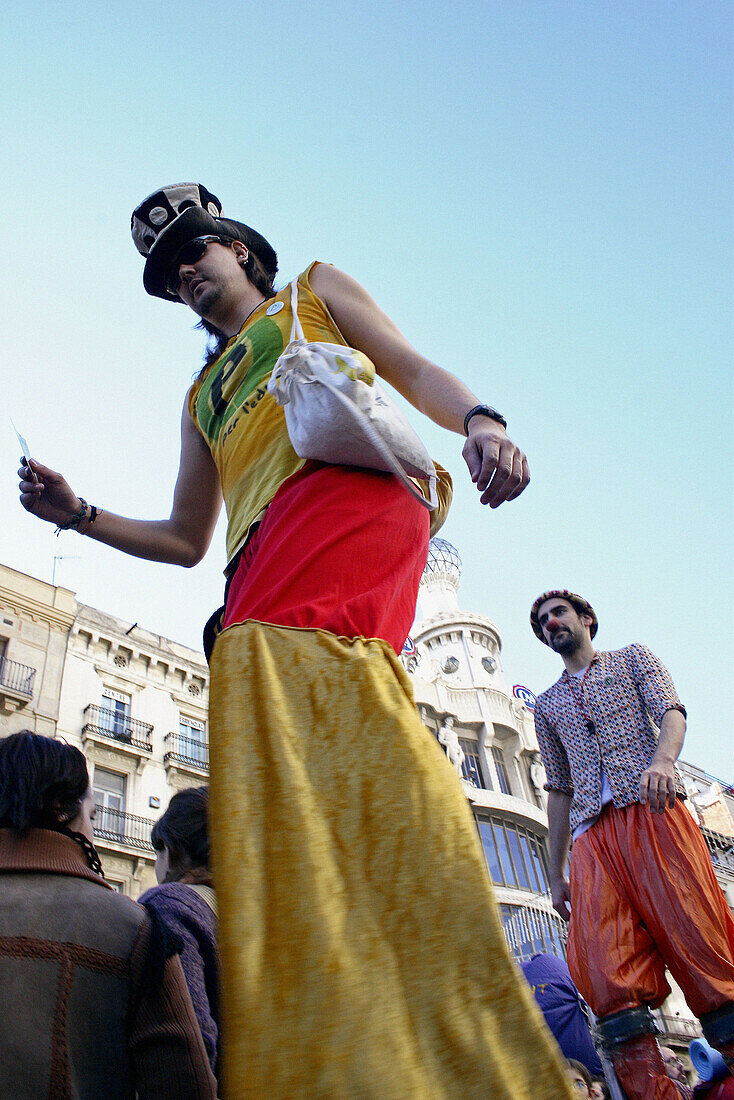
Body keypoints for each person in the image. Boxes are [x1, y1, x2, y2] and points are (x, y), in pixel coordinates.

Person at [18, 183, 571, 1099]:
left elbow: (406, 363)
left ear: (239, 247)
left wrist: (482, 419)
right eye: (167, 271)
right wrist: (78, 514)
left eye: (196, 247)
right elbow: (187, 538)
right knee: (277, 772)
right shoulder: (202, 394)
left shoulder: (312, 290)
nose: (186, 270)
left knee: (311, 697)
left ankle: (451, 1022)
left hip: (343, 504)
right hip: (252, 570)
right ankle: (341, 1024)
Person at [529, 589, 734, 1100]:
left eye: (558, 613)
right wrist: (556, 873)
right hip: (591, 837)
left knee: (698, 936)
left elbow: (672, 712)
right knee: (604, 967)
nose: (551, 622)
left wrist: (663, 762)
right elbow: (557, 788)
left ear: (585, 619)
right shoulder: (546, 703)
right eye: (541, 621)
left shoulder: (634, 657)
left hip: (654, 812)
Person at [0, 730, 216, 1099]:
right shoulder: (134, 927)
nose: (94, 833)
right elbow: (182, 1082)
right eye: (93, 815)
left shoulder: (155, 915)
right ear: (63, 811)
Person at [140, 786, 219, 1075]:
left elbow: (190, 1038)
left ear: (171, 852)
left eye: (157, 852)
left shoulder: (170, 905)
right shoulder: (252, 911)